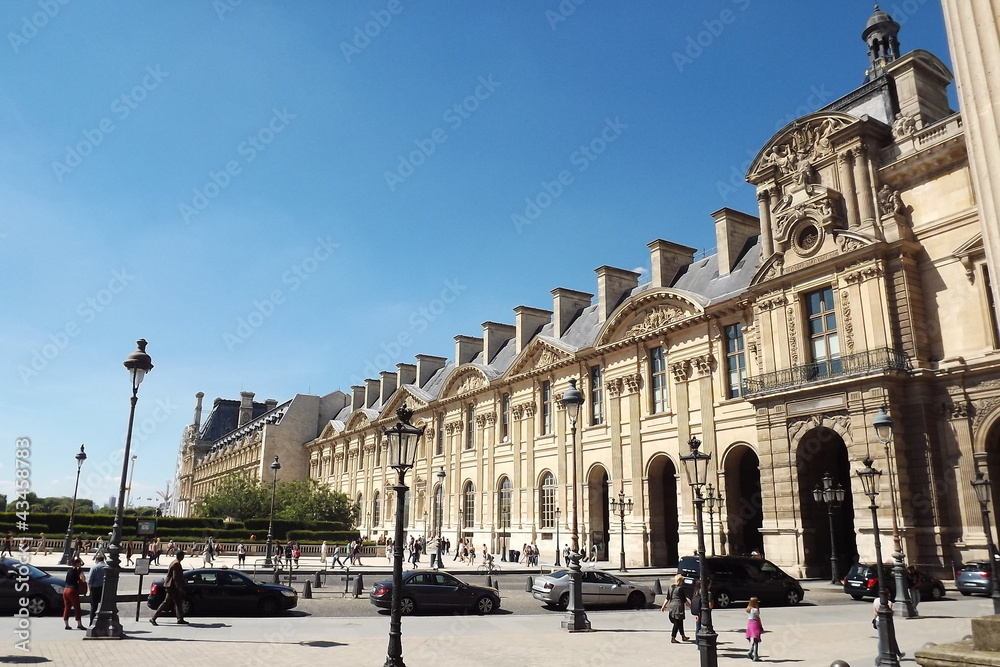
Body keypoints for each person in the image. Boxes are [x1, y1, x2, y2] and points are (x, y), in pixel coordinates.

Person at [150, 551, 188, 626]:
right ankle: (153, 618)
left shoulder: (174, 562)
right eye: (183, 556)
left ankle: (180, 619)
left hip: (172, 586)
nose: (183, 557)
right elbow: (175, 577)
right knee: (166, 602)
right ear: (180, 556)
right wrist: (179, 587)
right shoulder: (176, 564)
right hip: (172, 587)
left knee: (178, 602)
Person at [661, 574, 690, 643]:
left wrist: (663, 606)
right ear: (679, 581)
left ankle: (683, 636)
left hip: (672, 606)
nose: (682, 582)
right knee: (677, 622)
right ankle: (673, 637)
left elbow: (667, 598)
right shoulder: (680, 589)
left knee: (680, 621)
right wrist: (691, 606)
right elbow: (684, 600)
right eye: (682, 581)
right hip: (678, 607)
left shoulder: (670, 587)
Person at [63, 557, 86, 630]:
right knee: (77, 607)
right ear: (77, 564)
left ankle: (66, 624)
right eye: (79, 563)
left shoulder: (69, 571)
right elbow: (83, 580)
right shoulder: (78, 571)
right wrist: (82, 574)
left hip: (65, 589)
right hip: (72, 590)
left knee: (67, 607)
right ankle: (79, 624)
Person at [87, 554, 107, 626]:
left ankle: (92, 623)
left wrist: (90, 590)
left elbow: (89, 581)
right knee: (105, 607)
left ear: (97, 560)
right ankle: (104, 623)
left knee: (94, 607)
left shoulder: (94, 568)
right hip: (105, 589)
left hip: (95, 589)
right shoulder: (107, 567)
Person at [746, 596, 764, 661]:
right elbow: (758, 618)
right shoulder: (755, 610)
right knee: (756, 640)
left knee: (755, 640)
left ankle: (751, 652)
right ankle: (755, 655)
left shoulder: (748, 609)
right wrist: (761, 625)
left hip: (750, 624)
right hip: (755, 624)